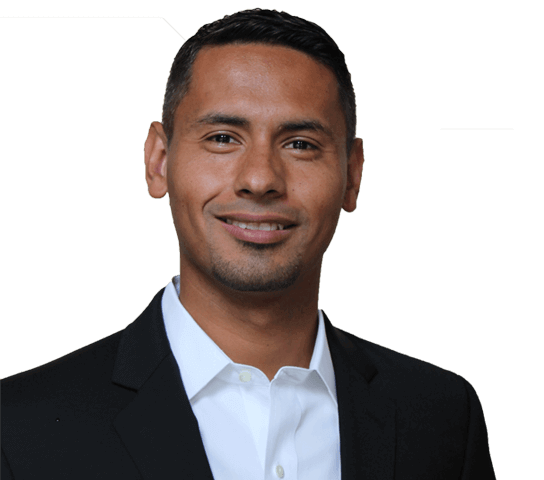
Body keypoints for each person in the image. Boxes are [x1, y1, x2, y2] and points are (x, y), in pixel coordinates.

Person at [0, 8, 496, 479]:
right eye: (222, 138)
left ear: (352, 175)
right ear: (158, 161)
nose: (260, 179)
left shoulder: (443, 417)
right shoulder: (17, 428)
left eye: (300, 144)